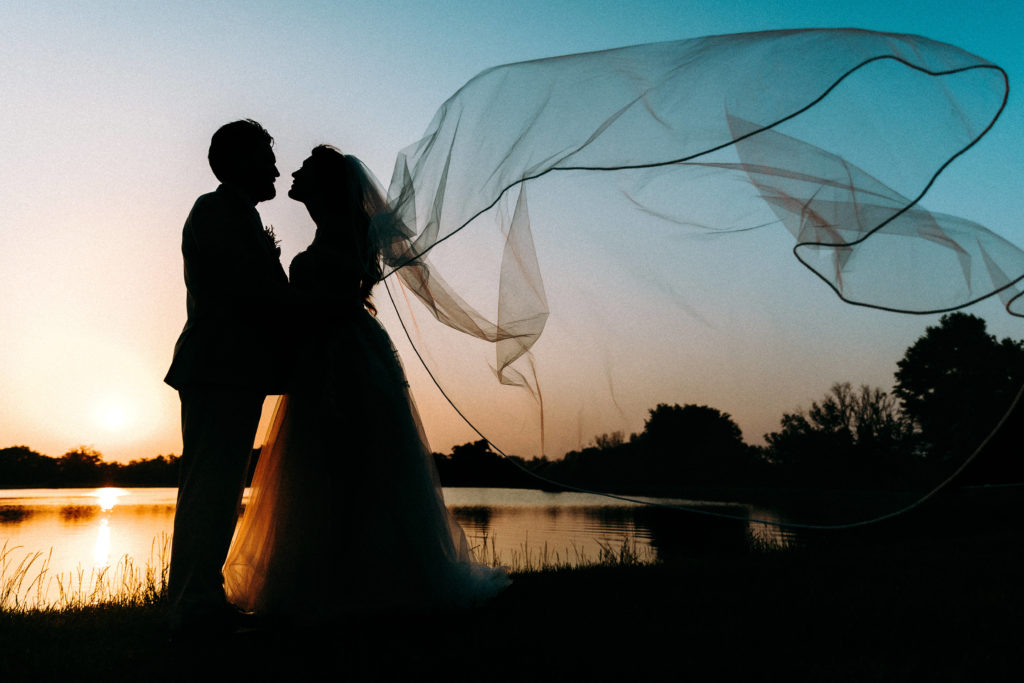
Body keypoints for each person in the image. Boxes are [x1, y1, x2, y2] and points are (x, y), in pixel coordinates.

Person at [222, 145, 510, 621]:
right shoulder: (337, 232)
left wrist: (280, 288)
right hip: (335, 355)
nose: (292, 172)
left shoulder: (339, 236)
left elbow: (323, 307)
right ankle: (345, 581)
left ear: (324, 186)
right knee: (332, 474)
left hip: (342, 362)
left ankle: (353, 585)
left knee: (344, 468)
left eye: (305, 170)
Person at [164, 119, 293, 636]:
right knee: (211, 486)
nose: (277, 169)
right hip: (218, 366)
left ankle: (199, 598)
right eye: (267, 156)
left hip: (233, 369)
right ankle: (194, 603)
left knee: (219, 486)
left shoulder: (236, 214)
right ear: (238, 161)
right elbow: (251, 292)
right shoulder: (215, 211)